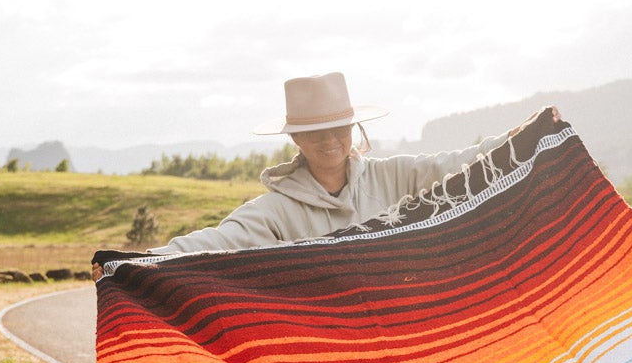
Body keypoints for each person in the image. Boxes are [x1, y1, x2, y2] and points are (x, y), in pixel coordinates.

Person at [103, 72, 556, 263]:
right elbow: (216, 243)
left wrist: (526, 134)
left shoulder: (391, 176)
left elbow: (456, 164)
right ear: (295, 138)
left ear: (354, 127)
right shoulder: (276, 212)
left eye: (340, 127)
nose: (329, 140)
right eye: (315, 132)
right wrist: (139, 263)